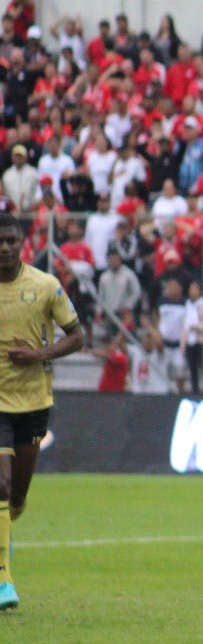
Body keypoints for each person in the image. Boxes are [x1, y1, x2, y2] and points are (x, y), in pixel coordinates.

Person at [0, 211, 85, 610]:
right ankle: (4, 580)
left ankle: (6, 524)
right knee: (0, 485)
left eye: (11, 241)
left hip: (33, 401)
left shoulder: (46, 285)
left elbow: (77, 336)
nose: (4, 248)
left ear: (23, 243)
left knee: (16, 496)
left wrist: (38, 355)